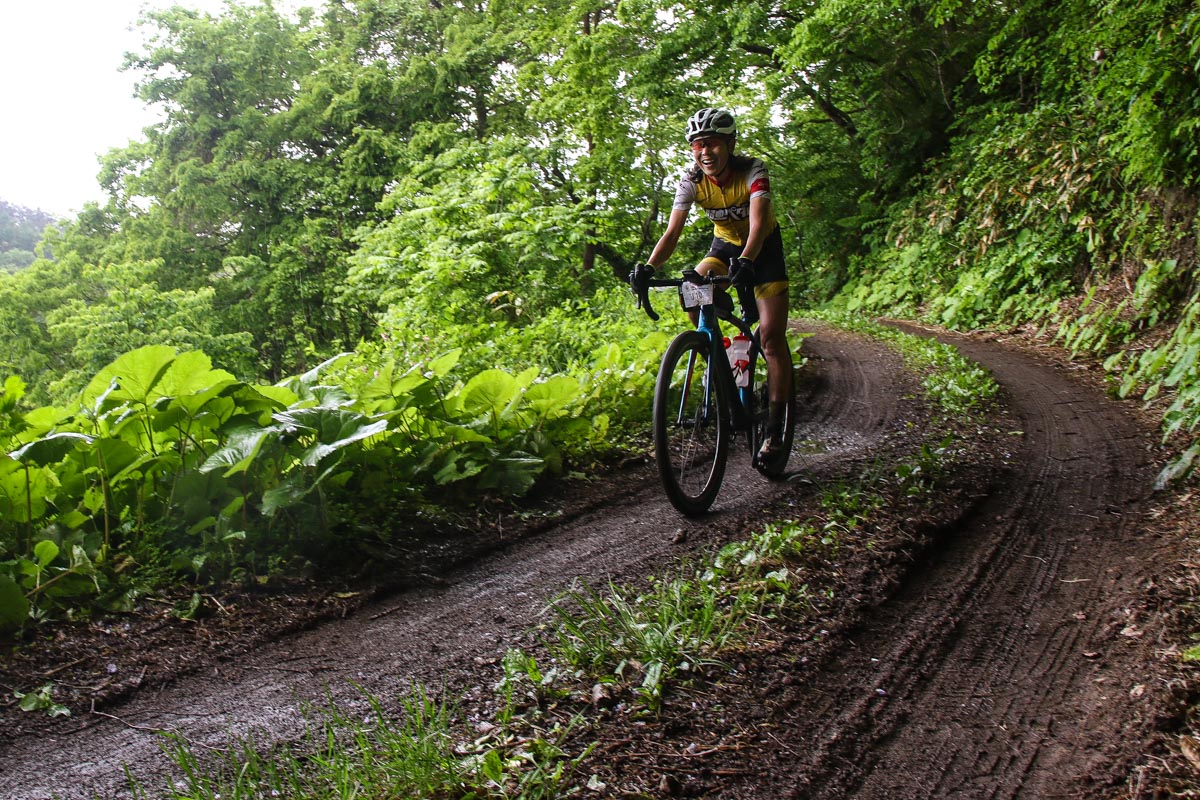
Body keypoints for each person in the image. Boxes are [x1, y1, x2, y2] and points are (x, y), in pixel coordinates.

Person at [630, 107, 793, 461]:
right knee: (691, 291)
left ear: (730, 144)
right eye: (698, 145)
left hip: (761, 249)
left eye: (713, 144)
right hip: (723, 248)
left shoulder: (753, 170)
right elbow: (672, 232)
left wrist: (748, 261)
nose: (706, 152)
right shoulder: (690, 181)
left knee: (770, 337)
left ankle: (775, 430)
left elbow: (758, 223)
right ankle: (719, 355)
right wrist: (648, 267)